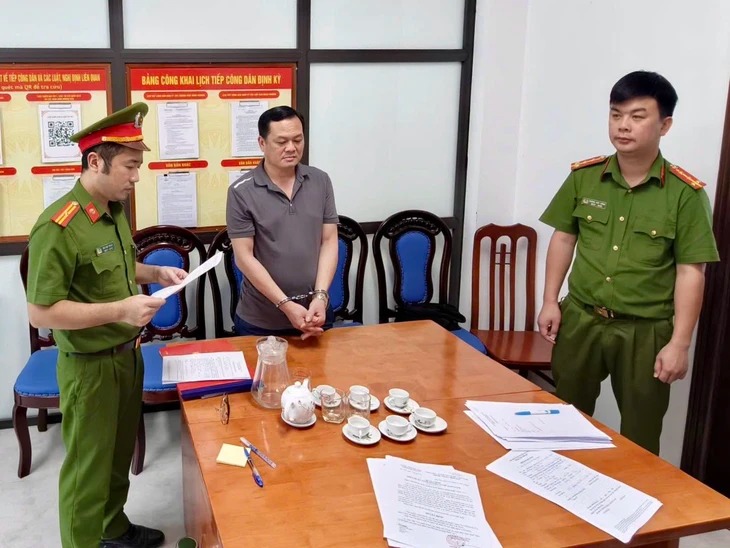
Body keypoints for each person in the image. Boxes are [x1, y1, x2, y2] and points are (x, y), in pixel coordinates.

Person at [25, 103, 187, 548]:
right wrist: (120, 311)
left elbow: (116, 267)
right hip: (89, 367)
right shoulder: (58, 226)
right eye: (130, 166)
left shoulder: (112, 210)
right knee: (87, 471)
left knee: (116, 459)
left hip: (127, 357)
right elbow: (41, 312)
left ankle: (113, 529)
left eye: (139, 166)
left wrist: (156, 273)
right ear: (96, 161)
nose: (137, 177)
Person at [537, 71, 719, 455]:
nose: (623, 125)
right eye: (616, 114)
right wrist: (550, 300)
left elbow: (691, 271)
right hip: (581, 320)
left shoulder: (685, 195)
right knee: (563, 423)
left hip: (645, 331)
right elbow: (564, 238)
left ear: (664, 125)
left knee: (640, 435)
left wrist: (680, 343)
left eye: (637, 116)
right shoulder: (585, 178)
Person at [226, 106, 339, 339]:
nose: (291, 148)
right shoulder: (241, 191)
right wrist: (286, 305)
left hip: (315, 313)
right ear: (262, 143)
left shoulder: (320, 181)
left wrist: (320, 296)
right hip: (261, 321)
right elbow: (244, 258)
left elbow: (328, 241)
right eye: (281, 142)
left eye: (297, 140)